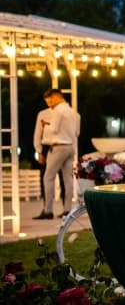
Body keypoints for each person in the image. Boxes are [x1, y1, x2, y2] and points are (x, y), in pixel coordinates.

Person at [34, 88, 80, 219]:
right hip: (70, 146)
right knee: (68, 178)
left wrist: (45, 125)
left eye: (51, 99)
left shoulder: (58, 110)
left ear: (58, 97)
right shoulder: (73, 113)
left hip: (58, 147)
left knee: (48, 178)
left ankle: (48, 211)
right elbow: (77, 132)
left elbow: (53, 129)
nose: (49, 102)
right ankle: (67, 210)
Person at [32, 102, 66, 211]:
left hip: (62, 146)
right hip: (47, 148)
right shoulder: (43, 114)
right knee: (46, 179)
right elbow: (38, 133)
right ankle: (47, 210)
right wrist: (39, 151)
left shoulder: (66, 114)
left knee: (64, 178)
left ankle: (66, 209)